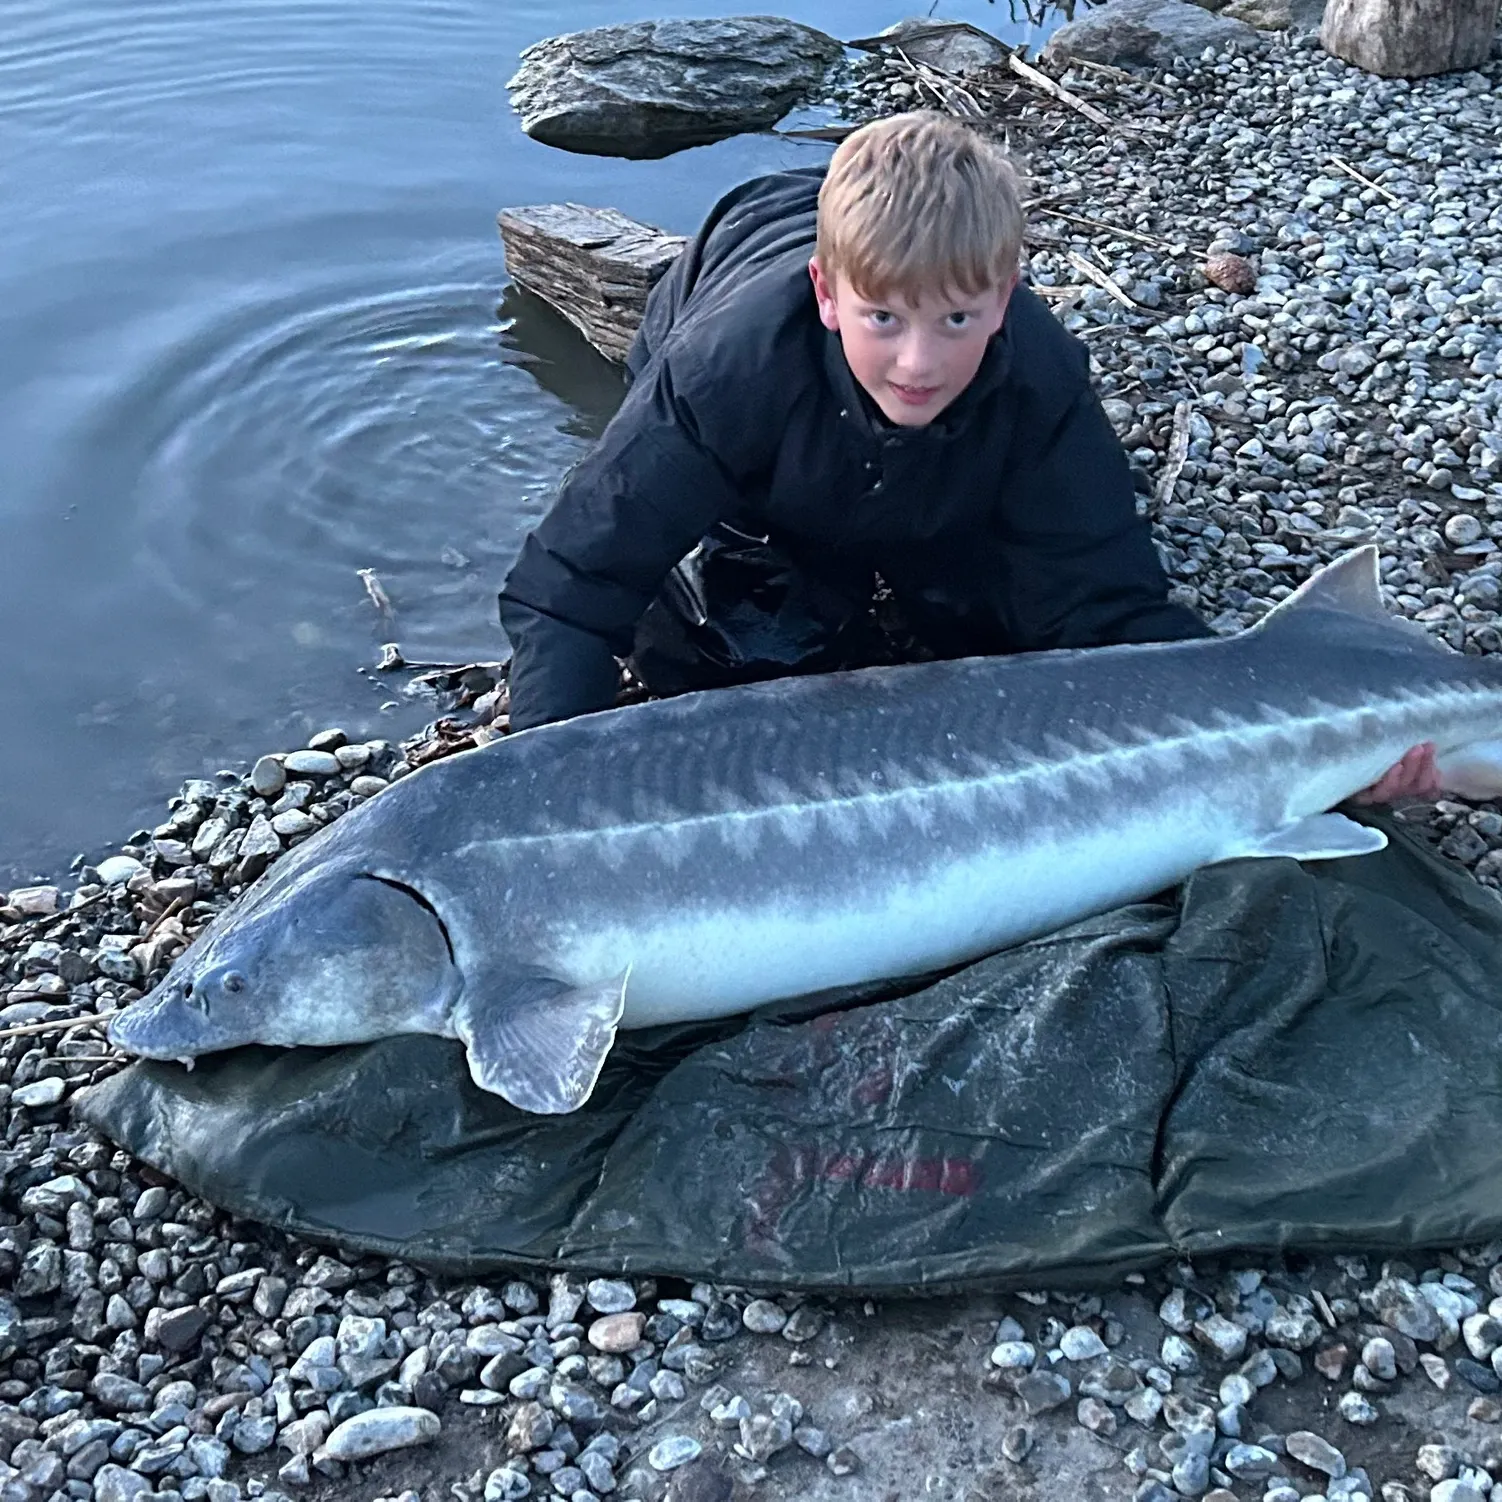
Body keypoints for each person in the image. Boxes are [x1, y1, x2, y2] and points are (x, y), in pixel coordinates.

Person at [498, 110, 1439, 804]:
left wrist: (1324, 750)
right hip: (737, 304)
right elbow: (565, 588)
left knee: (996, 627)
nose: (920, 362)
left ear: (1005, 295)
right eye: (885, 321)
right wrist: (545, 787)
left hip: (940, 425)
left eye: (958, 318)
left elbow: (1109, 612)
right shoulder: (721, 374)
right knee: (735, 641)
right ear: (829, 296)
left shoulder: (1039, 376)